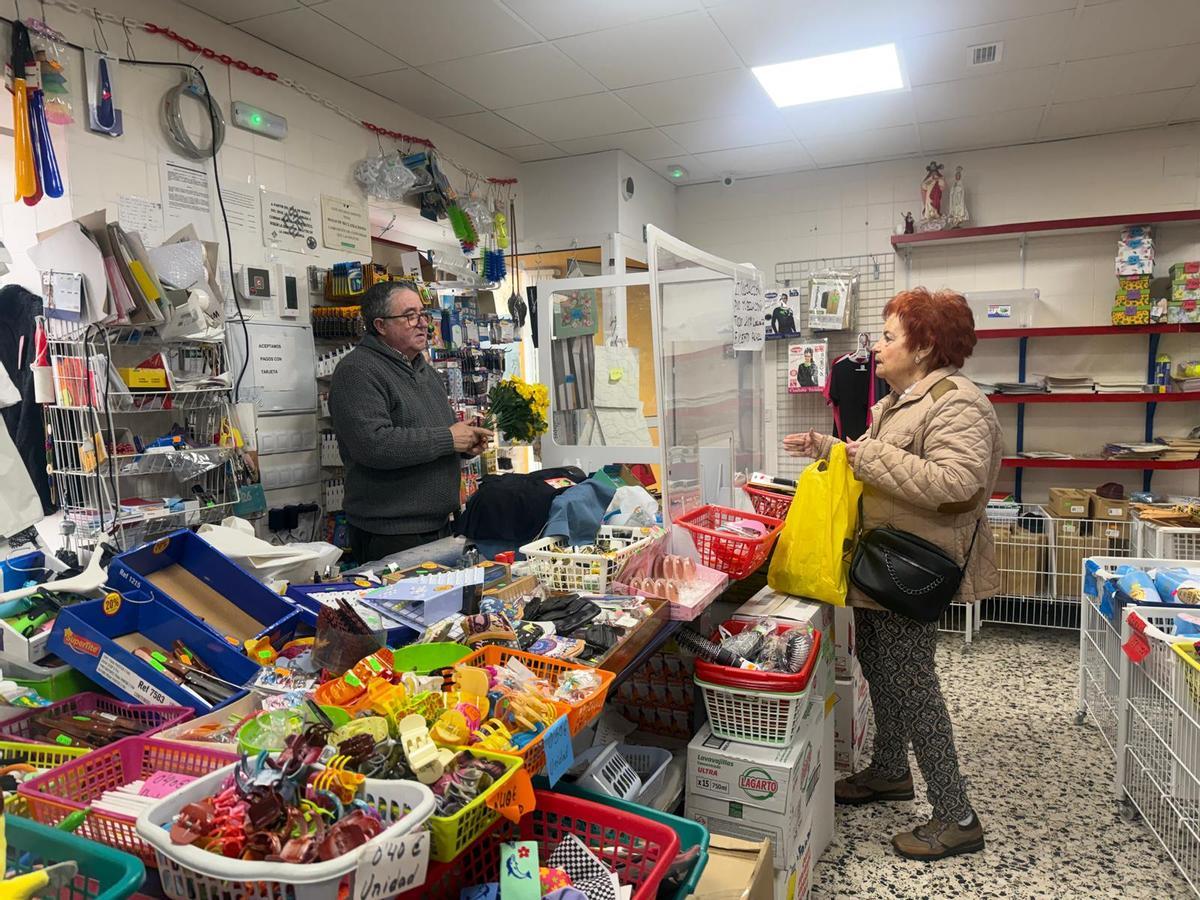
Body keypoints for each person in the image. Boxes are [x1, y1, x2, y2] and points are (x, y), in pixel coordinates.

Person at [783, 287, 1001, 861]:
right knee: (880, 669)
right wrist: (829, 447)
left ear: (925, 345)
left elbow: (957, 484)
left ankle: (956, 815)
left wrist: (861, 456)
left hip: (913, 570)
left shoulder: (959, 404)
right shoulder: (899, 400)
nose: (876, 349)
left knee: (914, 686)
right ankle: (889, 771)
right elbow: (878, 464)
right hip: (879, 566)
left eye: (888, 337)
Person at [329, 281, 491, 564]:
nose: (423, 324)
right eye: (410, 316)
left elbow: (437, 429)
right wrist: (448, 439)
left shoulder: (423, 369)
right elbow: (374, 445)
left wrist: (464, 444)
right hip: (392, 535)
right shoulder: (357, 372)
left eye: (423, 314)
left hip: (439, 526)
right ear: (380, 325)